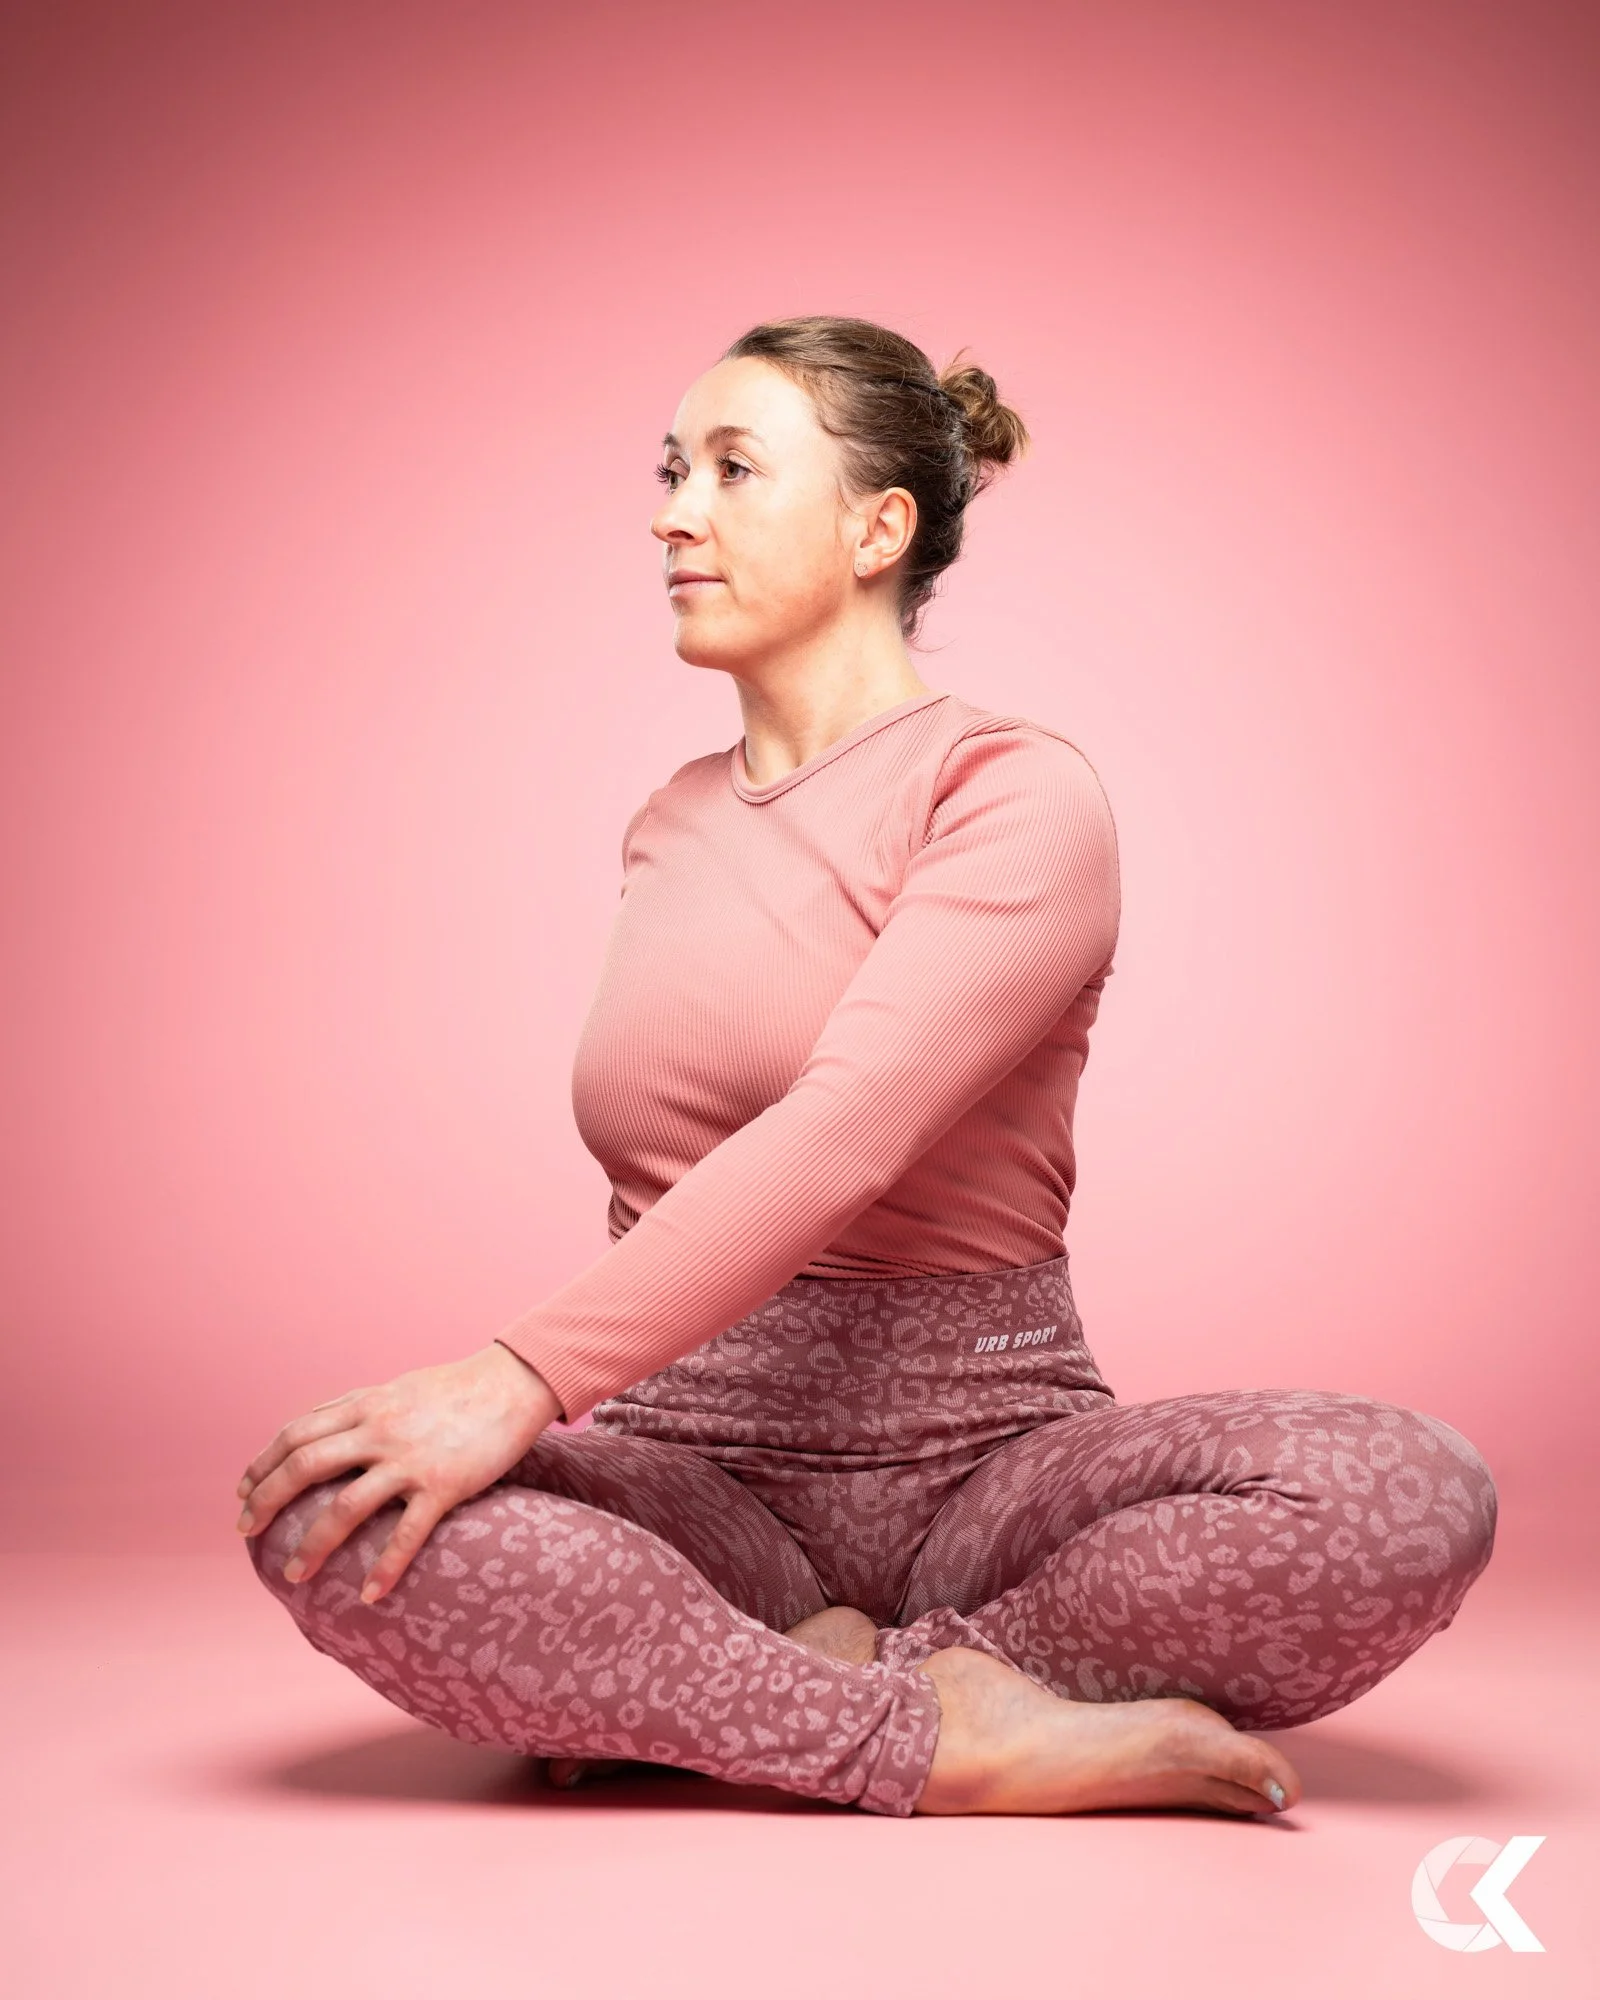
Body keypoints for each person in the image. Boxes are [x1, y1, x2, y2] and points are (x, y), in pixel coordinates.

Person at [236, 314, 1497, 1820]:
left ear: (877, 527)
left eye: (731, 468)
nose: (670, 511)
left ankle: (794, 1690)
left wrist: (518, 1376)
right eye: (667, 469)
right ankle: (945, 1727)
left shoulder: (1013, 790)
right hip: (693, 1476)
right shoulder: (669, 820)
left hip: (992, 1473)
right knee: (327, 1505)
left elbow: (845, 1132)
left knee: (1406, 1497)